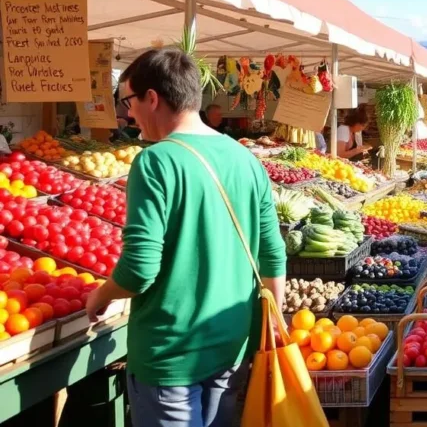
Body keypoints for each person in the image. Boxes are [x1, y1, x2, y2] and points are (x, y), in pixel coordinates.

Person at [85, 49, 286, 427]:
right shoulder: (245, 159)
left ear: (152, 98)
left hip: (171, 352)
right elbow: (272, 252)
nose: (128, 113)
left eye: (127, 101)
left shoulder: (156, 161)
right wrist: (274, 318)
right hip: (231, 343)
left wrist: (101, 295)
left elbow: (139, 269)